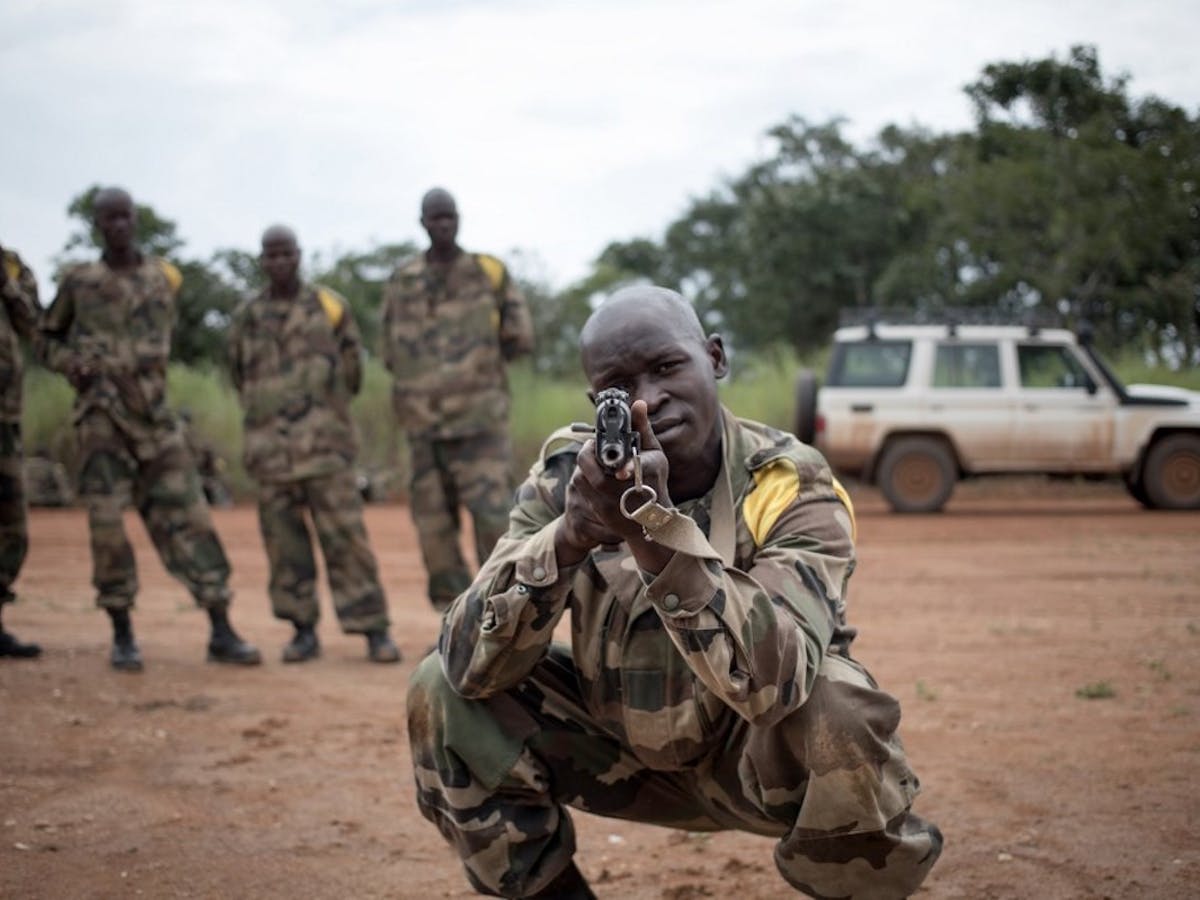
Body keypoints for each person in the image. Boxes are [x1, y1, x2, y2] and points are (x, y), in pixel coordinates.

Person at [406, 286, 942, 899]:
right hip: (614, 749)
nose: (648, 399)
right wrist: (569, 536)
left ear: (714, 358)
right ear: (595, 402)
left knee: (839, 709)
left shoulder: (790, 484)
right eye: (619, 387)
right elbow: (466, 664)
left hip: (753, 761)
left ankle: (857, 889)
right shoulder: (567, 478)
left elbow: (778, 687)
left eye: (666, 367)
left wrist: (656, 534)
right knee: (438, 688)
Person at [37, 187, 260, 671]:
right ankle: (122, 634)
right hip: (101, 421)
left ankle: (221, 627)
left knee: (191, 518)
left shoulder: (161, 279)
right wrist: (69, 363)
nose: (118, 225)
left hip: (156, 421)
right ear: (97, 225)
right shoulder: (80, 281)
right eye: (108, 218)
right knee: (107, 528)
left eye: (125, 216)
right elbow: (46, 338)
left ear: (135, 220)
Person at [229, 225, 400, 664]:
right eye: (270, 255)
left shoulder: (329, 307)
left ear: (299, 256)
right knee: (285, 548)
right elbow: (237, 374)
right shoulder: (247, 316)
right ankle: (302, 630)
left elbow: (353, 374)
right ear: (262, 261)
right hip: (271, 453)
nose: (279, 262)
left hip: (326, 450)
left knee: (347, 542)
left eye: (286, 253)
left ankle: (373, 629)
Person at [381, 188, 534, 612]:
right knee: (434, 530)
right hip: (422, 428)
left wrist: (475, 372)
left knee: (496, 521)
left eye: (449, 217)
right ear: (422, 223)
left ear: (459, 219)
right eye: (435, 218)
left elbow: (520, 336)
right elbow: (390, 349)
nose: (443, 225)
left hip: (479, 425)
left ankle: (500, 614)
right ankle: (452, 618)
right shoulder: (403, 279)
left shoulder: (488, 273)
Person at [0, 244, 42, 658]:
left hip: (4, 419)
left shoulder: (11, 265)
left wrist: (6, 286)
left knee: (11, 526)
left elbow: (36, 327)